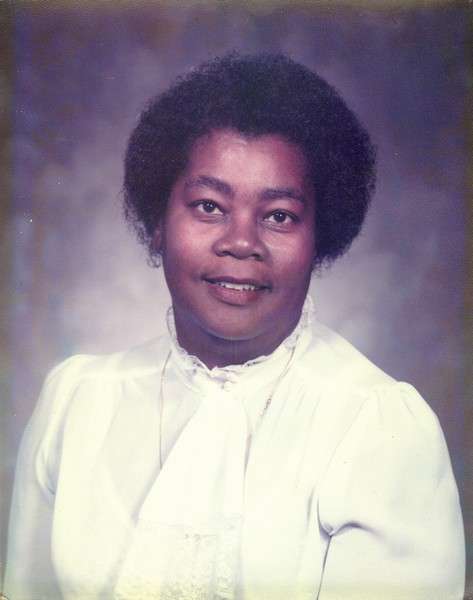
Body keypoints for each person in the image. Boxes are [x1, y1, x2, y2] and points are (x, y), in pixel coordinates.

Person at [5, 53, 465, 600]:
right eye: (208, 206)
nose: (241, 242)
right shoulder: (77, 402)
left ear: (319, 239)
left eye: (279, 216)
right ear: (158, 223)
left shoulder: (378, 429)